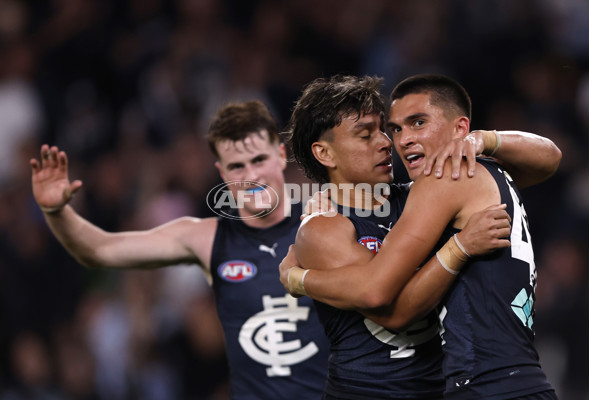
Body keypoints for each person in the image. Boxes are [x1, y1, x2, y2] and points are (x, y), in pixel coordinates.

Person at [281, 74, 561, 399]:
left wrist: (483, 139)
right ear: (325, 154)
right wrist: (459, 248)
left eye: (385, 129)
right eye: (365, 135)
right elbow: (387, 306)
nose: (388, 142)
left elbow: (549, 158)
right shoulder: (323, 228)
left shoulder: (423, 197)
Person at [30, 100, 332, 400]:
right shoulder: (205, 238)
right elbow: (99, 250)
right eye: (237, 166)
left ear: (280, 156)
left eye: (258, 160)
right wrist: (57, 212)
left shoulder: (325, 224)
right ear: (223, 173)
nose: (251, 176)